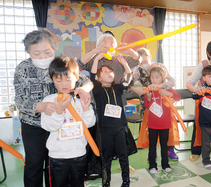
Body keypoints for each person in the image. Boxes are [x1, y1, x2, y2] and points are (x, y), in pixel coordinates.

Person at [13, 28, 93, 187]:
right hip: (34, 126)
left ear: (54, 48)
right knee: (34, 165)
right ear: (29, 51)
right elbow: (20, 101)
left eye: (47, 52)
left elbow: (86, 81)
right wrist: (41, 106)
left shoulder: (61, 64)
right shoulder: (23, 69)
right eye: (36, 53)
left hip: (62, 125)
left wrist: (84, 89)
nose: (42, 57)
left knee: (57, 166)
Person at [41, 56, 96, 187]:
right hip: (57, 156)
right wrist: (59, 111)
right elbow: (47, 126)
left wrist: (86, 108)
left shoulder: (79, 99)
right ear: (53, 80)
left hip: (79, 154)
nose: (64, 84)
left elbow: (90, 123)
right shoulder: (49, 100)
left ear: (76, 78)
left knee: (78, 184)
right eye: (58, 80)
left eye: (68, 79)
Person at [90, 51, 133, 187]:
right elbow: (91, 76)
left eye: (111, 71)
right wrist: (96, 59)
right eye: (105, 71)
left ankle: (126, 180)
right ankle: (106, 181)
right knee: (106, 158)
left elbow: (128, 79)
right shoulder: (97, 90)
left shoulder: (118, 88)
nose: (109, 73)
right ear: (99, 78)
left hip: (120, 128)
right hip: (105, 130)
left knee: (123, 156)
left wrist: (125, 64)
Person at [131, 48, 179, 161]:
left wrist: (161, 86)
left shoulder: (160, 67)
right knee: (151, 129)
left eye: (145, 60)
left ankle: (169, 149)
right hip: (148, 102)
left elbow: (172, 81)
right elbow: (128, 85)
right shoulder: (138, 71)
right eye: (140, 62)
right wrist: (134, 89)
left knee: (167, 127)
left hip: (164, 101)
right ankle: (152, 152)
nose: (143, 63)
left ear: (150, 57)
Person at [144, 65, 181, 173]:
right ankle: (152, 165)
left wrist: (168, 93)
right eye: (152, 77)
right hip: (152, 124)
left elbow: (178, 97)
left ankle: (165, 164)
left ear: (162, 79)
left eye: (157, 77)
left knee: (165, 146)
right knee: (152, 146)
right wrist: (149, 98)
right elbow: (147, 105)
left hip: (165, 123)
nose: (154, 79)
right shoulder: (149, 90)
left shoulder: (168, 88)